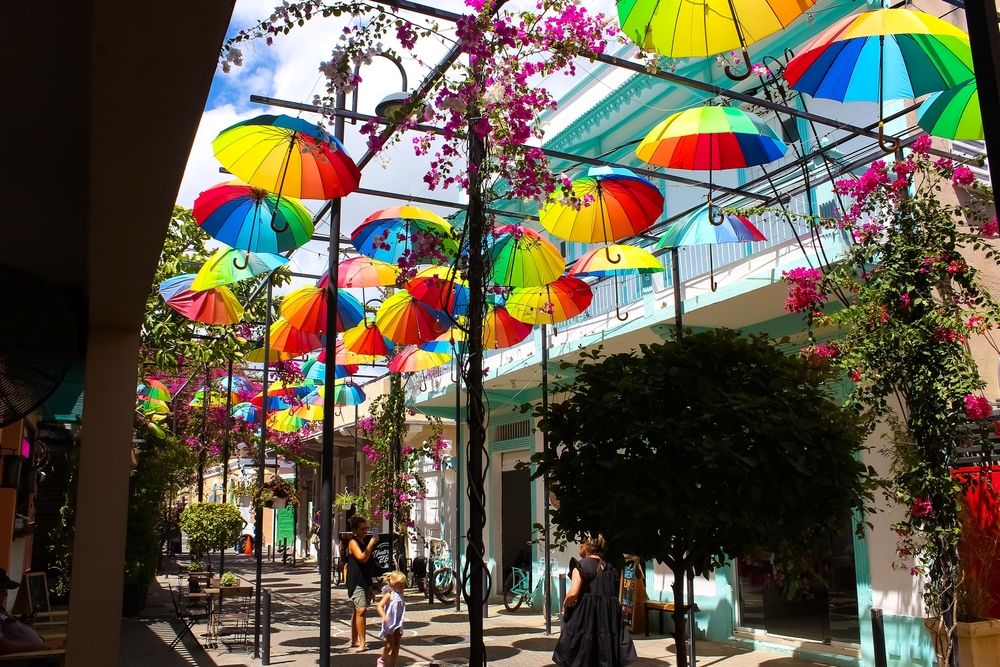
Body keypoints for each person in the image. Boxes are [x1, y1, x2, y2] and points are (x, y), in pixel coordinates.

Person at [553, 533, 637, 667]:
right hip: (607, 615)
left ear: (584, 547)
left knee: (582, 651)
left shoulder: (580, 566)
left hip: (585, 615)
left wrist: (565, 605)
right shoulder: (609, 568)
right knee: (602, 650)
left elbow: (573, 592)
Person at [0, 570, 57, 665]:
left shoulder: (2, 610)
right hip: (27, 661)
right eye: (2, 590)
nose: (6, 594)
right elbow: (1, 646)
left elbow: (9, 628)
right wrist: (34, 647)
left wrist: (23, 623)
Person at [345, 515, 377, 652]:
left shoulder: (363, 542)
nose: (365, 531)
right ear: (354, 530)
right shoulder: (353, 542)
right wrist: (371, 544)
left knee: (357, 610)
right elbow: (362, 558)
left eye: (366, 528)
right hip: (356, 580)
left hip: (365, 580)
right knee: (361, 610)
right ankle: (362, 643)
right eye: (362, 529)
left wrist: (371, 585)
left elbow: (368, 565)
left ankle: (354, 640)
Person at [375, 571, 407, 667]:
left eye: (403, 585)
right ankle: (382, 659)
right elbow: (379, 606)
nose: (402, 587)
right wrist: (384, 617)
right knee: (390, 644)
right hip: (390, 622)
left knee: (397, 644)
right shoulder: (389, 595)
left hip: (398, 622)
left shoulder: (401, 593)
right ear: (392, 584)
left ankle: (393, 664)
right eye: (399, 585)